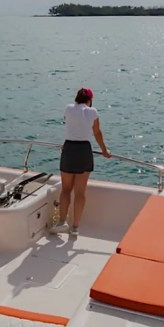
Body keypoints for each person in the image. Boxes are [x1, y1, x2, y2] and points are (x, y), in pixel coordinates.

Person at [51, 87, 111, 237]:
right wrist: (104, 150)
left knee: (66, 189)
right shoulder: (92, 112)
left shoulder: (68, 108)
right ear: (89, 100)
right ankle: (75, 227)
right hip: (84, 150)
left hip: (69, 149)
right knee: (80, 192)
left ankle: (61, 222)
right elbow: (97, 132)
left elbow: (70, 126)